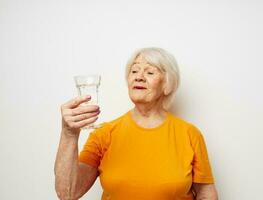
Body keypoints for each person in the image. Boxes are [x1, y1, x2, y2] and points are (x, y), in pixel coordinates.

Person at [54, 47, 218, 200]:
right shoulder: (104, 133)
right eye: (134, 71)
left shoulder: (189, 134)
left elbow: (206, 194)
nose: (139, 76)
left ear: (167, 84)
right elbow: (67, 193)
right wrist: (69, 134)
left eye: (150, 72)